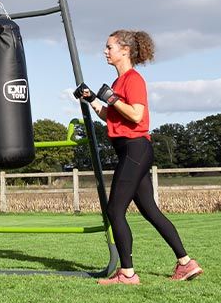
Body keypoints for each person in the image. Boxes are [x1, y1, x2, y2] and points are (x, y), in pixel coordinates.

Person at [75, 30, 203, 285]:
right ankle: (186, 263)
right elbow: (111, 117)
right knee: (150, 211)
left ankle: (127, 274)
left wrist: (111, 98)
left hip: (136, 149)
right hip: (131, 150)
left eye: (109, 46)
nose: (105, 51)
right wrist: (92, 99)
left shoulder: (133, 79)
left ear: (124, 50)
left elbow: (135, 115)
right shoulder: (118, 83)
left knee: (115, 210)